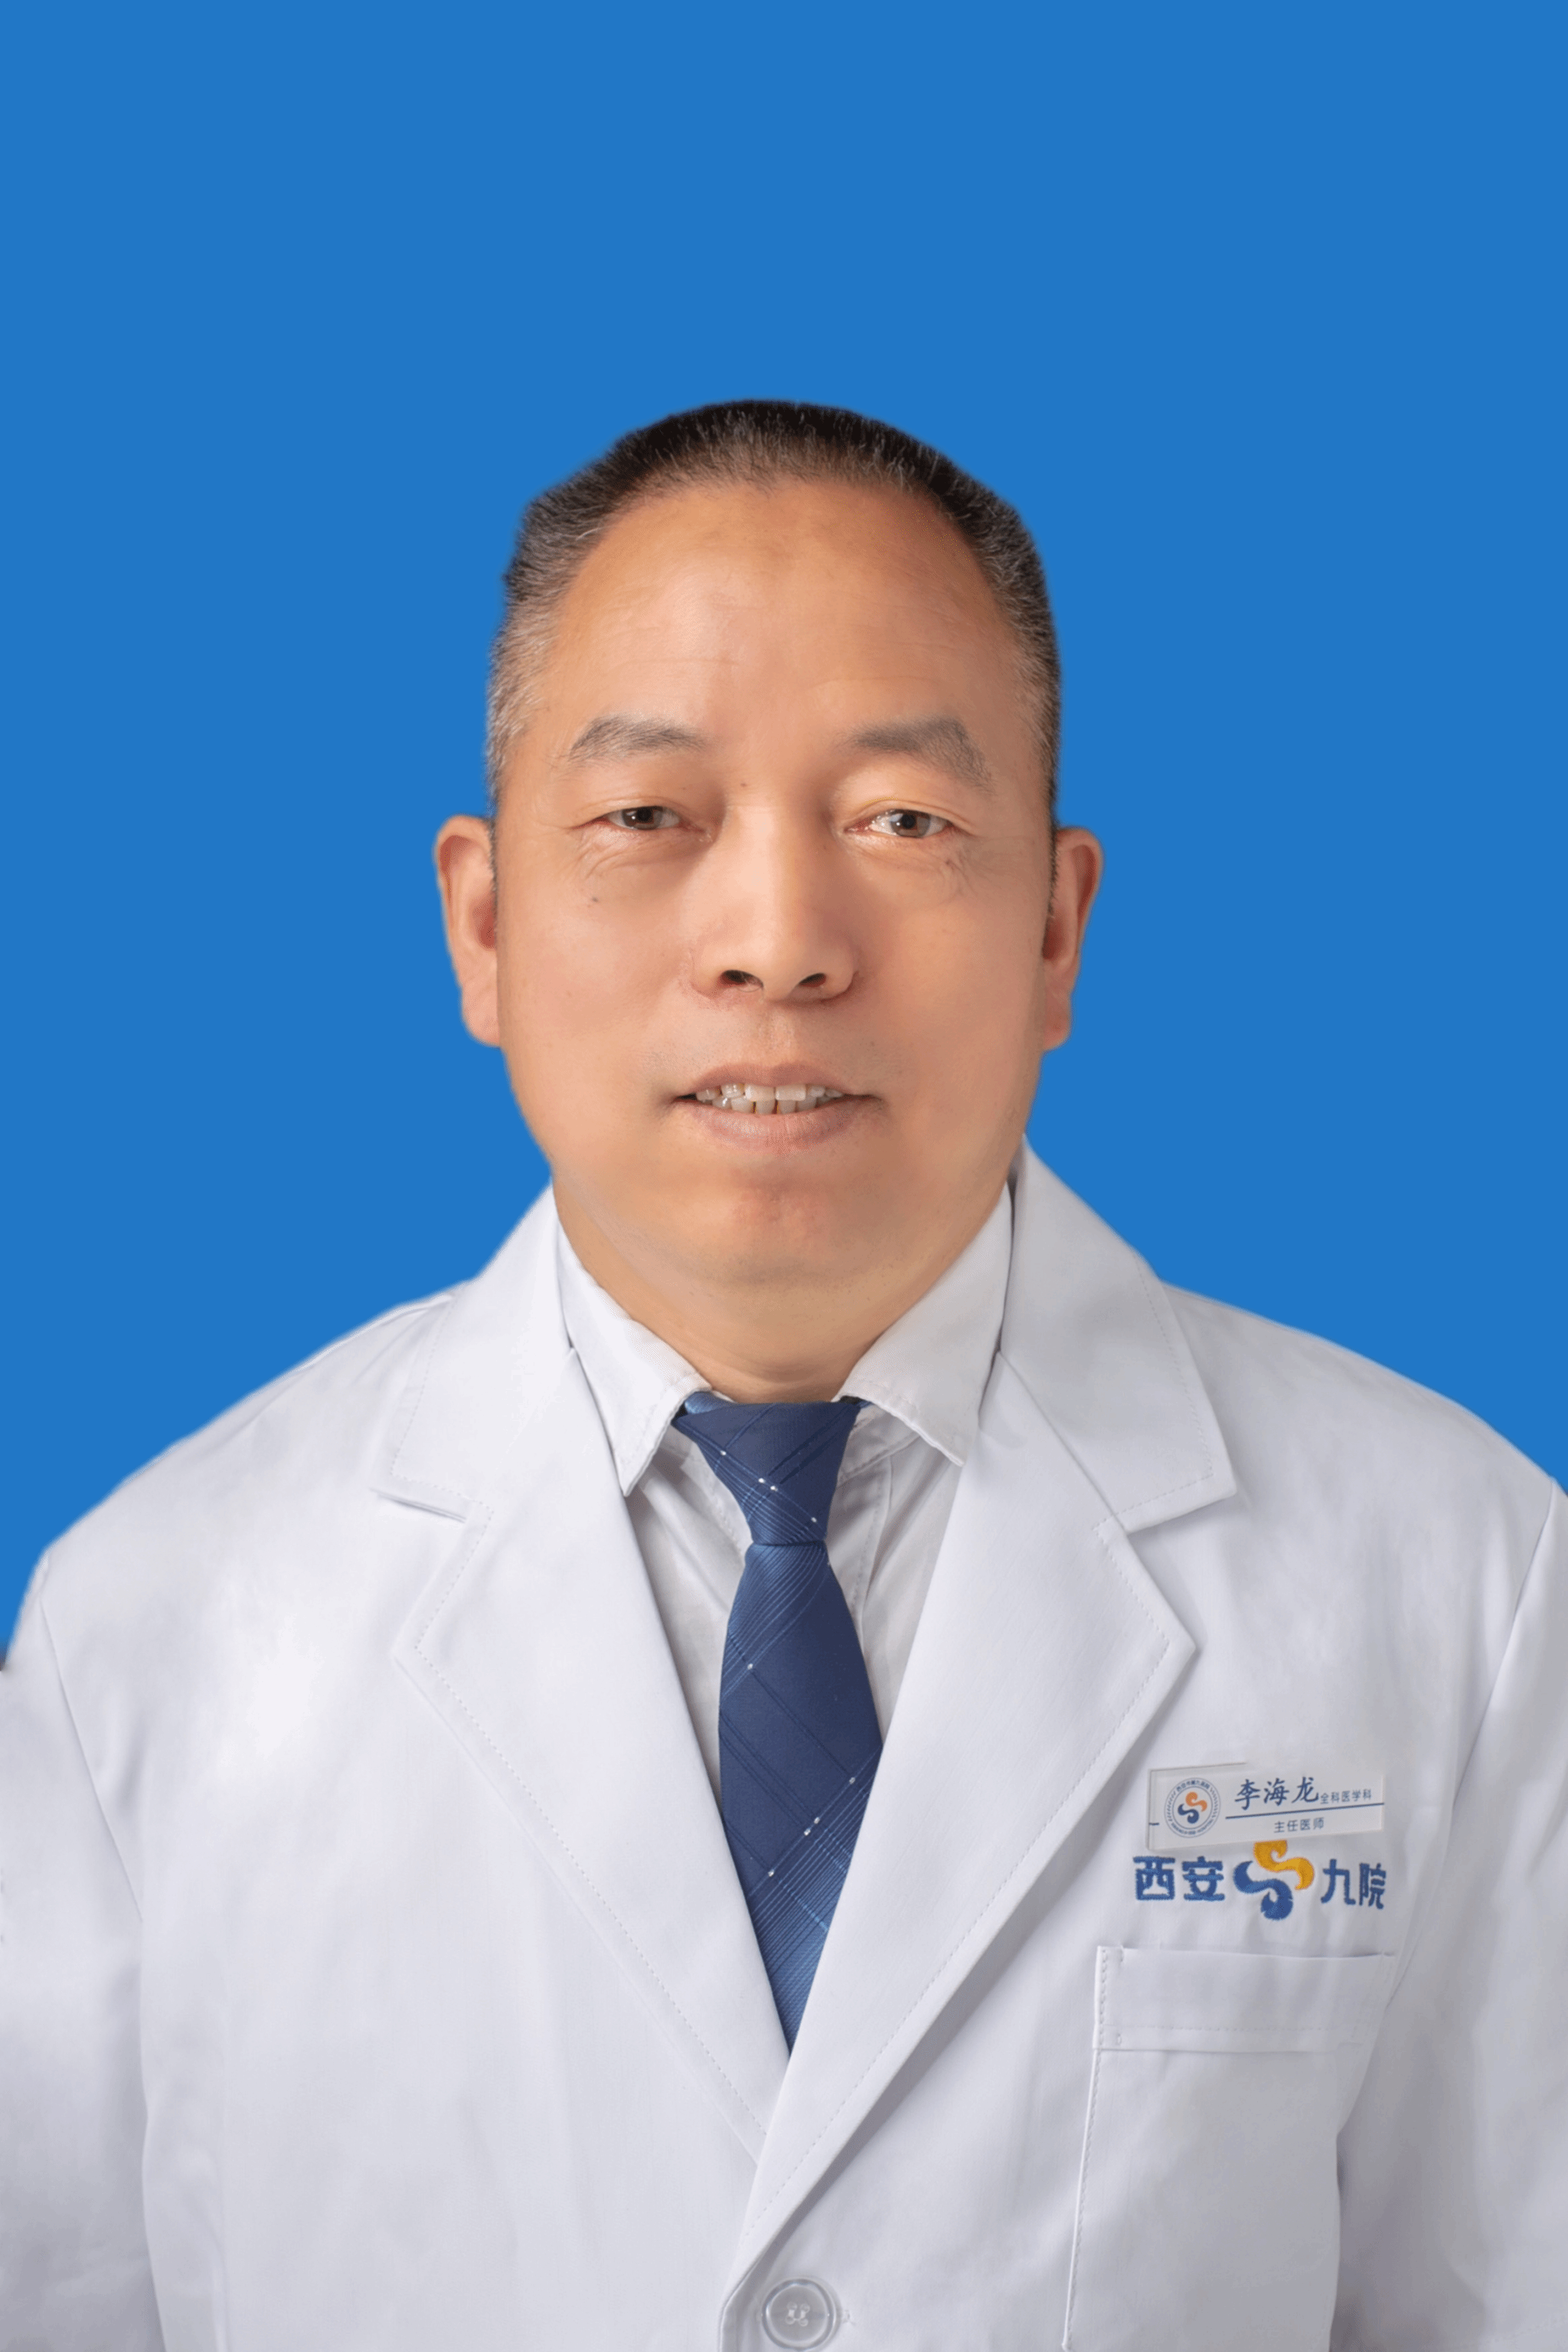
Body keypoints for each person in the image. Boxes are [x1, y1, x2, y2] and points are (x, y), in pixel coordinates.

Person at [2, 400, 1563, 2352]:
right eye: (649, 818)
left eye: (900, 821)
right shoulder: (152, 1626)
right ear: (481, 925)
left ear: (1057, 926)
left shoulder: (1460, 1581)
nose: (775, 944)